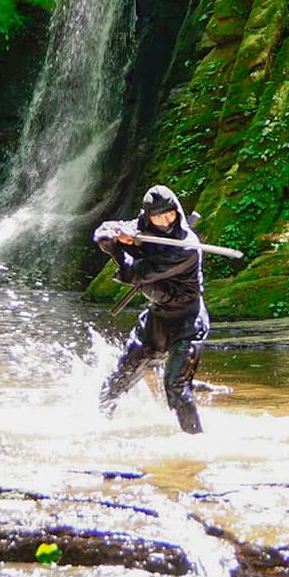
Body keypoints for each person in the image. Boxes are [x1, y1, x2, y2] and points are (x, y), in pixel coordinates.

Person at [93, 184, 208, 434]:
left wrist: (117, 250)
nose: (165, 221)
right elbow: (102, 231)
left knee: (175, 387)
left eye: (170, 214)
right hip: (156, 318)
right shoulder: (141, 227)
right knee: (117, 380)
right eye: (157, 216)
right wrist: (112, 235)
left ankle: (196, 443)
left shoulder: (187, 247)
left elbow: (136, 273)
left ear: (177, 211)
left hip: (188, 321)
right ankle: (96, 429)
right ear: (148, 216)